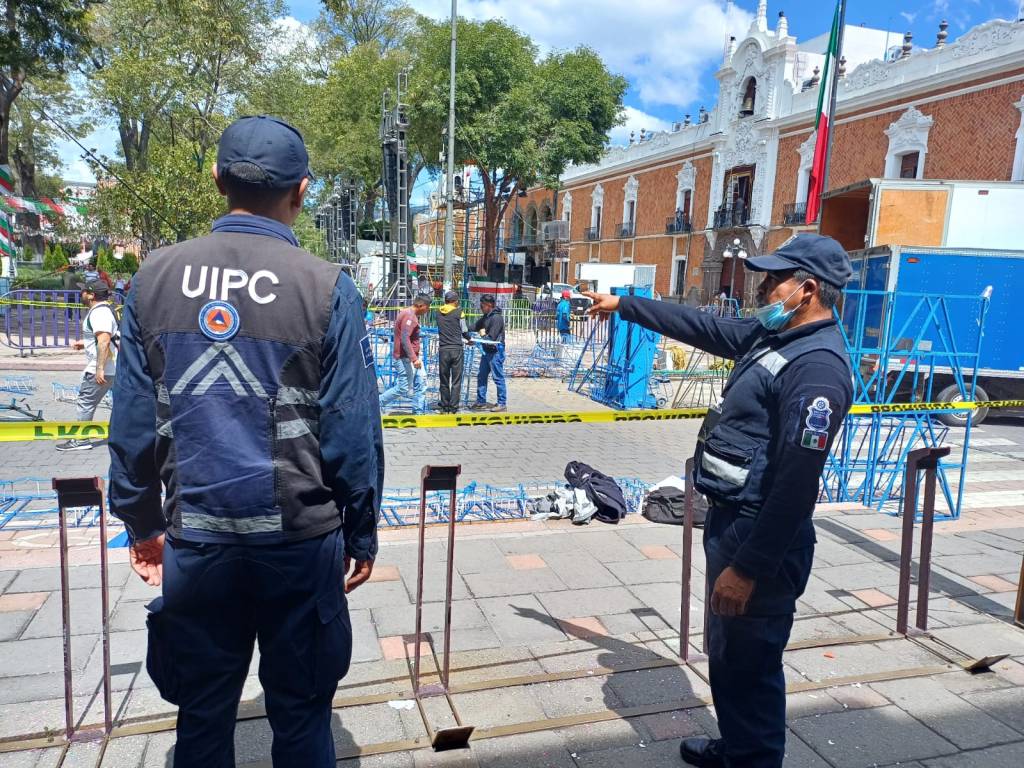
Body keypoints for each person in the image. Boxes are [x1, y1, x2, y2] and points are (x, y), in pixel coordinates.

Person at [107, 115, 384, 768]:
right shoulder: (327, 287)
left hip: (198, 542)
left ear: (216, 179)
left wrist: (142, 524)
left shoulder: (154, 278)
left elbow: (132, 425)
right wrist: (362, 532)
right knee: (303, 719)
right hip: (300, 545)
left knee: (202, 720)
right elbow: (351, 432)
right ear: (303, 190)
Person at [585, 234, 853, 768]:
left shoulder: (817, 370)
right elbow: (705, 328)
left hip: (760, 537)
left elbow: (796, 485)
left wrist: (748, 569)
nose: (762, 287)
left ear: (807, 290)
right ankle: (737, 748)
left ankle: (754, 757)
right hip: (732, 521)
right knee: (730, 653)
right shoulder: (774, 336)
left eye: (773, 279)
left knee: (751, 664)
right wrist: (624, 305)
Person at [56, 279, 118, 452]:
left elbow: (104, 341)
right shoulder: (108, 310)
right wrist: (85, 343)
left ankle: (81, 439)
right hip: (115, 367)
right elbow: (108, 337)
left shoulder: (99, 313)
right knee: (118, 404)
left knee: (85, 402)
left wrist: (99, 369)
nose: (81, 293)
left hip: (104, 368)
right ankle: (117, 435)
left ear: (91, 295)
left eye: (84, 291)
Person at [380, 293, 430, 414]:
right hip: (405, 358)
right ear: (420, 305)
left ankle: (418, 412)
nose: (428, 310)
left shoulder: (408, 313)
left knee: (421, 383)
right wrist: (414, 359)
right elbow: (404, 338)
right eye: (427, 307)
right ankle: (377, 403)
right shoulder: (410, 317)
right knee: (403, 387)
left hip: (411, 357)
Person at [470, 293, 507, 411]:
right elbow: (474, 326)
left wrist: (481, 336)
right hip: (486, 351)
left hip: (496, 351)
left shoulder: (496, 318)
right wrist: (462, 328)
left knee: (498, 377)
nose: (481, 307)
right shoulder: (486, 317)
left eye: (482, 305)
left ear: (489, 305)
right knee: (481, 376)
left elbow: (491, 338)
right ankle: (481, 401)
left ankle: (502, 403)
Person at [436, 290, 470, 413]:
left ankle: (445, 405)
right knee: (456, 380)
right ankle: (453, 407)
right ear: (455, 301)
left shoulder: (438, 312)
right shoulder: (459, 312)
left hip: (443, 349)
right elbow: (464, 330)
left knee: (444, 379)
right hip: (456, 349)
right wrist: (469, 339)